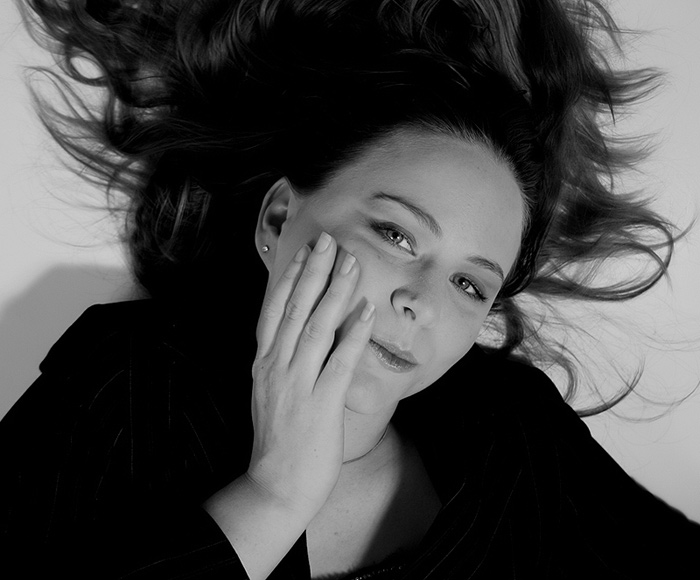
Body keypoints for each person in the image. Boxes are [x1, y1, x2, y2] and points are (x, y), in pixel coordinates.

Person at [1, 0, 699, 578]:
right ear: (279, 217)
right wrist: (274, 494)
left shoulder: (514, 435)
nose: (421, 302)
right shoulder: (129, 382)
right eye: (397, 236)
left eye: (468, 283)